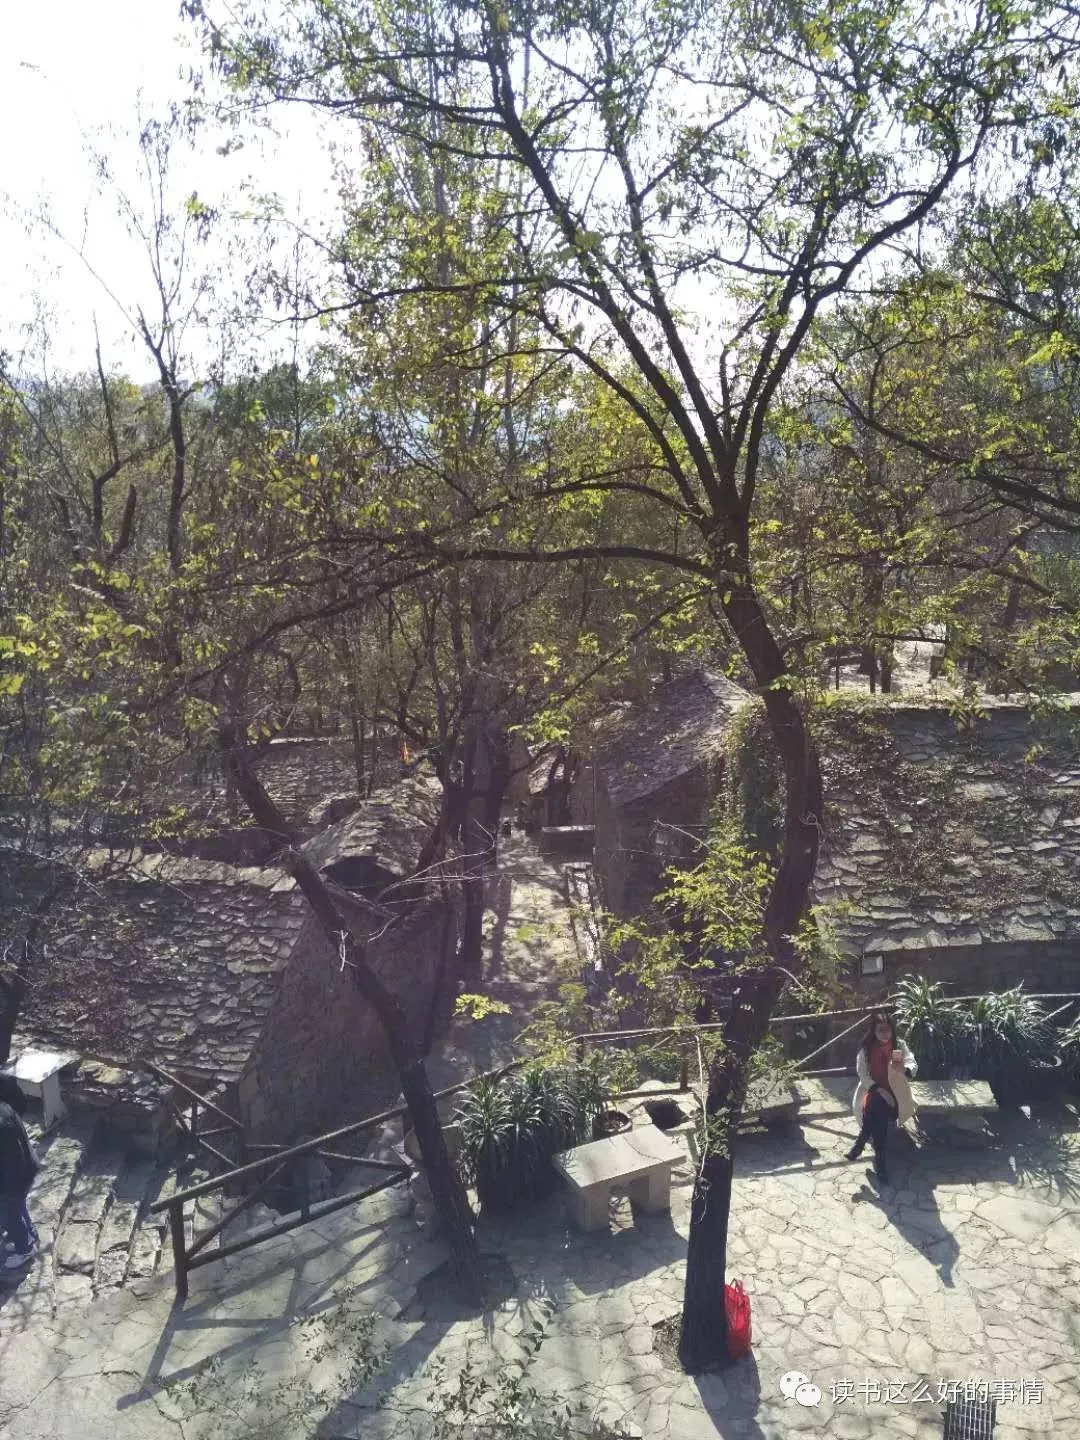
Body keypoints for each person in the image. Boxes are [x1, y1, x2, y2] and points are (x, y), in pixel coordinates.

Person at [847, 1011, 917, 1185]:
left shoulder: (898, 1045)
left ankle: (860, 1143)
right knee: (878, 1108)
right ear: (874, 1031)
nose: (885, 1034)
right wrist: (881, 1091)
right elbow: (863, 1074)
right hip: (874, 1090)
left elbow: (912, 1062)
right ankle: (880, 1162)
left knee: (875, 1111)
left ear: (892, 1030)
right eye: (881, 1030)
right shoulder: (866, 1050)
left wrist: (905, 1069)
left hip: (896, 1092)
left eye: (888, 1030)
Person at [0, 1073, 40, 1267]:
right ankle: (30, 1234)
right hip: (25, 1167)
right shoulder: (4, 1108)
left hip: (12, 1175)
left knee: (9, 1214)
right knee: (18, 1207)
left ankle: (25, 1249)